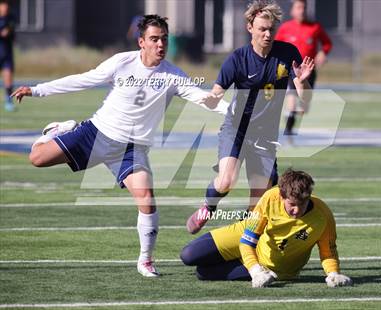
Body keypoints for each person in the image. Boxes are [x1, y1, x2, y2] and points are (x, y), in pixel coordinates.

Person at [11, 15, 226, 277]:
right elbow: (83, 80)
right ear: (141, 42)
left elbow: (206, 99)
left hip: (131, 149)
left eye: (164, 40)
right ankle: (60, 129)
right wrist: (37, 90)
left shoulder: (173, 75)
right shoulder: (122, 62)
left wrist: (235, 113)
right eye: (154, 39)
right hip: (97, 134)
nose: (161, 45)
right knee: (37, 158)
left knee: (146, 198)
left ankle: (146, 261)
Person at [186, 0, 314, 234]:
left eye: (271, 29)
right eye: (262, 29)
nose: (267, 34)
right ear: (250, 28)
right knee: (226, 181)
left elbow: (305, 100)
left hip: (265, 136)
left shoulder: (288, 54)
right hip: (236, 129)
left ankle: (243, 239)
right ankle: (208, 207)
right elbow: (217, 91)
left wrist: (303, 80)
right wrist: (211, 99)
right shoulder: (237, 58)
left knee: (260, 200)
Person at [181, 169, 352, 288]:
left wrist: (333, 273)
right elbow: (247, 241)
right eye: (292, 204)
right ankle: (246, 262)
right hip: (248, 235)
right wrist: (255, 272)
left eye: (303, 204)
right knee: (188, 255)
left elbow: (328, 252)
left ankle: (244, 262)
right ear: (281, 195)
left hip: (273, 266)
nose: (297, 210)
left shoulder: (323, 215)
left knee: (203, 273)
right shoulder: (270, 197)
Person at [274, 0, 332, 137]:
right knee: (292, 96)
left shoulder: (315, 27)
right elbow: (275, 46)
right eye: (299, 7)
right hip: (291, 69)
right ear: (293, 11)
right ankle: (288, 128)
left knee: (305, 105)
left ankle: (293, 114)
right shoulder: (285, 28)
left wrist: (323, 53)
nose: (302, 10)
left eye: (304, 7)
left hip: (309, 71)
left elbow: (327, 43)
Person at [0, 0, 15, 112]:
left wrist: (9, 31)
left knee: (8, 78)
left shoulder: (11, 19)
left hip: (7, 54)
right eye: (3, 6)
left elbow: (13, 35)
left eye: (6, 6)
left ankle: (9, 102)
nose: (5, 8)